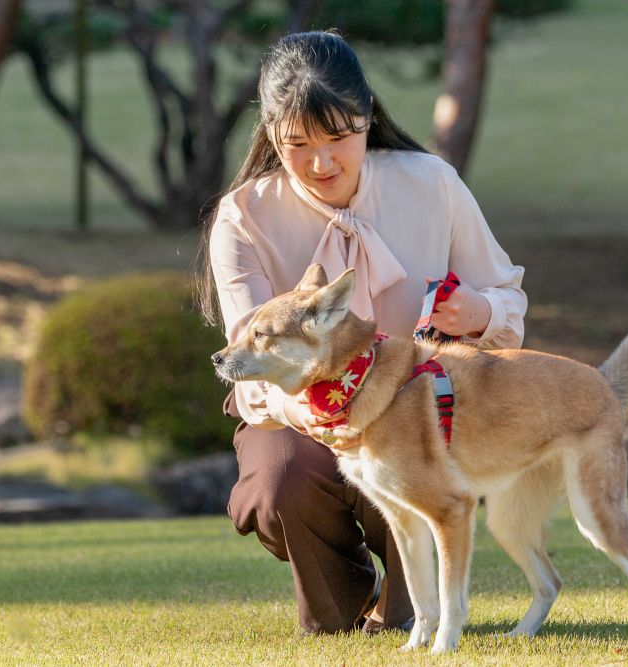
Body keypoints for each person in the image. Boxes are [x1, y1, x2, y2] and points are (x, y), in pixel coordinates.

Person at [197, 30, 527, 636]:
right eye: (297, 144)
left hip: (417, 408)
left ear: (368, 117)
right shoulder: (244, 216)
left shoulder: (431, 183)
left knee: (408, 607)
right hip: (299, 414)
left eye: (340, 138)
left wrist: (476, 313)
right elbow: (251, 364)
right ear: (271, 133)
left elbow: (508, 299)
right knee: (276, 485)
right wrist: (329, 412)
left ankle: (405, 607)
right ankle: (344, 599)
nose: (322, 163)